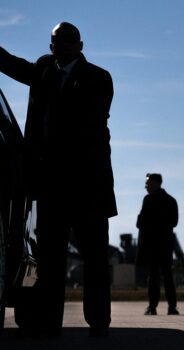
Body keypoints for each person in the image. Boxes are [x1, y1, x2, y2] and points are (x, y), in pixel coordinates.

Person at [0, 22, 117, 336]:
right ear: (50, 45)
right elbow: (12, 65)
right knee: (49, 258)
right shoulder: (43, 69)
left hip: (87, 185)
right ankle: (50, 321)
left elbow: (85, 123)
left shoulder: (98, 78)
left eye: (66, 41)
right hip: (50, 185)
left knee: (94, 257)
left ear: (81, 44)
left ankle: (98, 322)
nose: (60, 47)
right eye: (55, 42)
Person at [136, 173, 179, 315]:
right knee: (168, 276)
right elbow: (174, 222)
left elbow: (140, 223)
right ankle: (172, 307)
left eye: (147, 183)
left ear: (155, 182)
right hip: (166, 244)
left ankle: (152, 307)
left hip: (152, 245)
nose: (145, 186)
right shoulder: (171, 200)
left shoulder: (148, 200)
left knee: (153, 276)